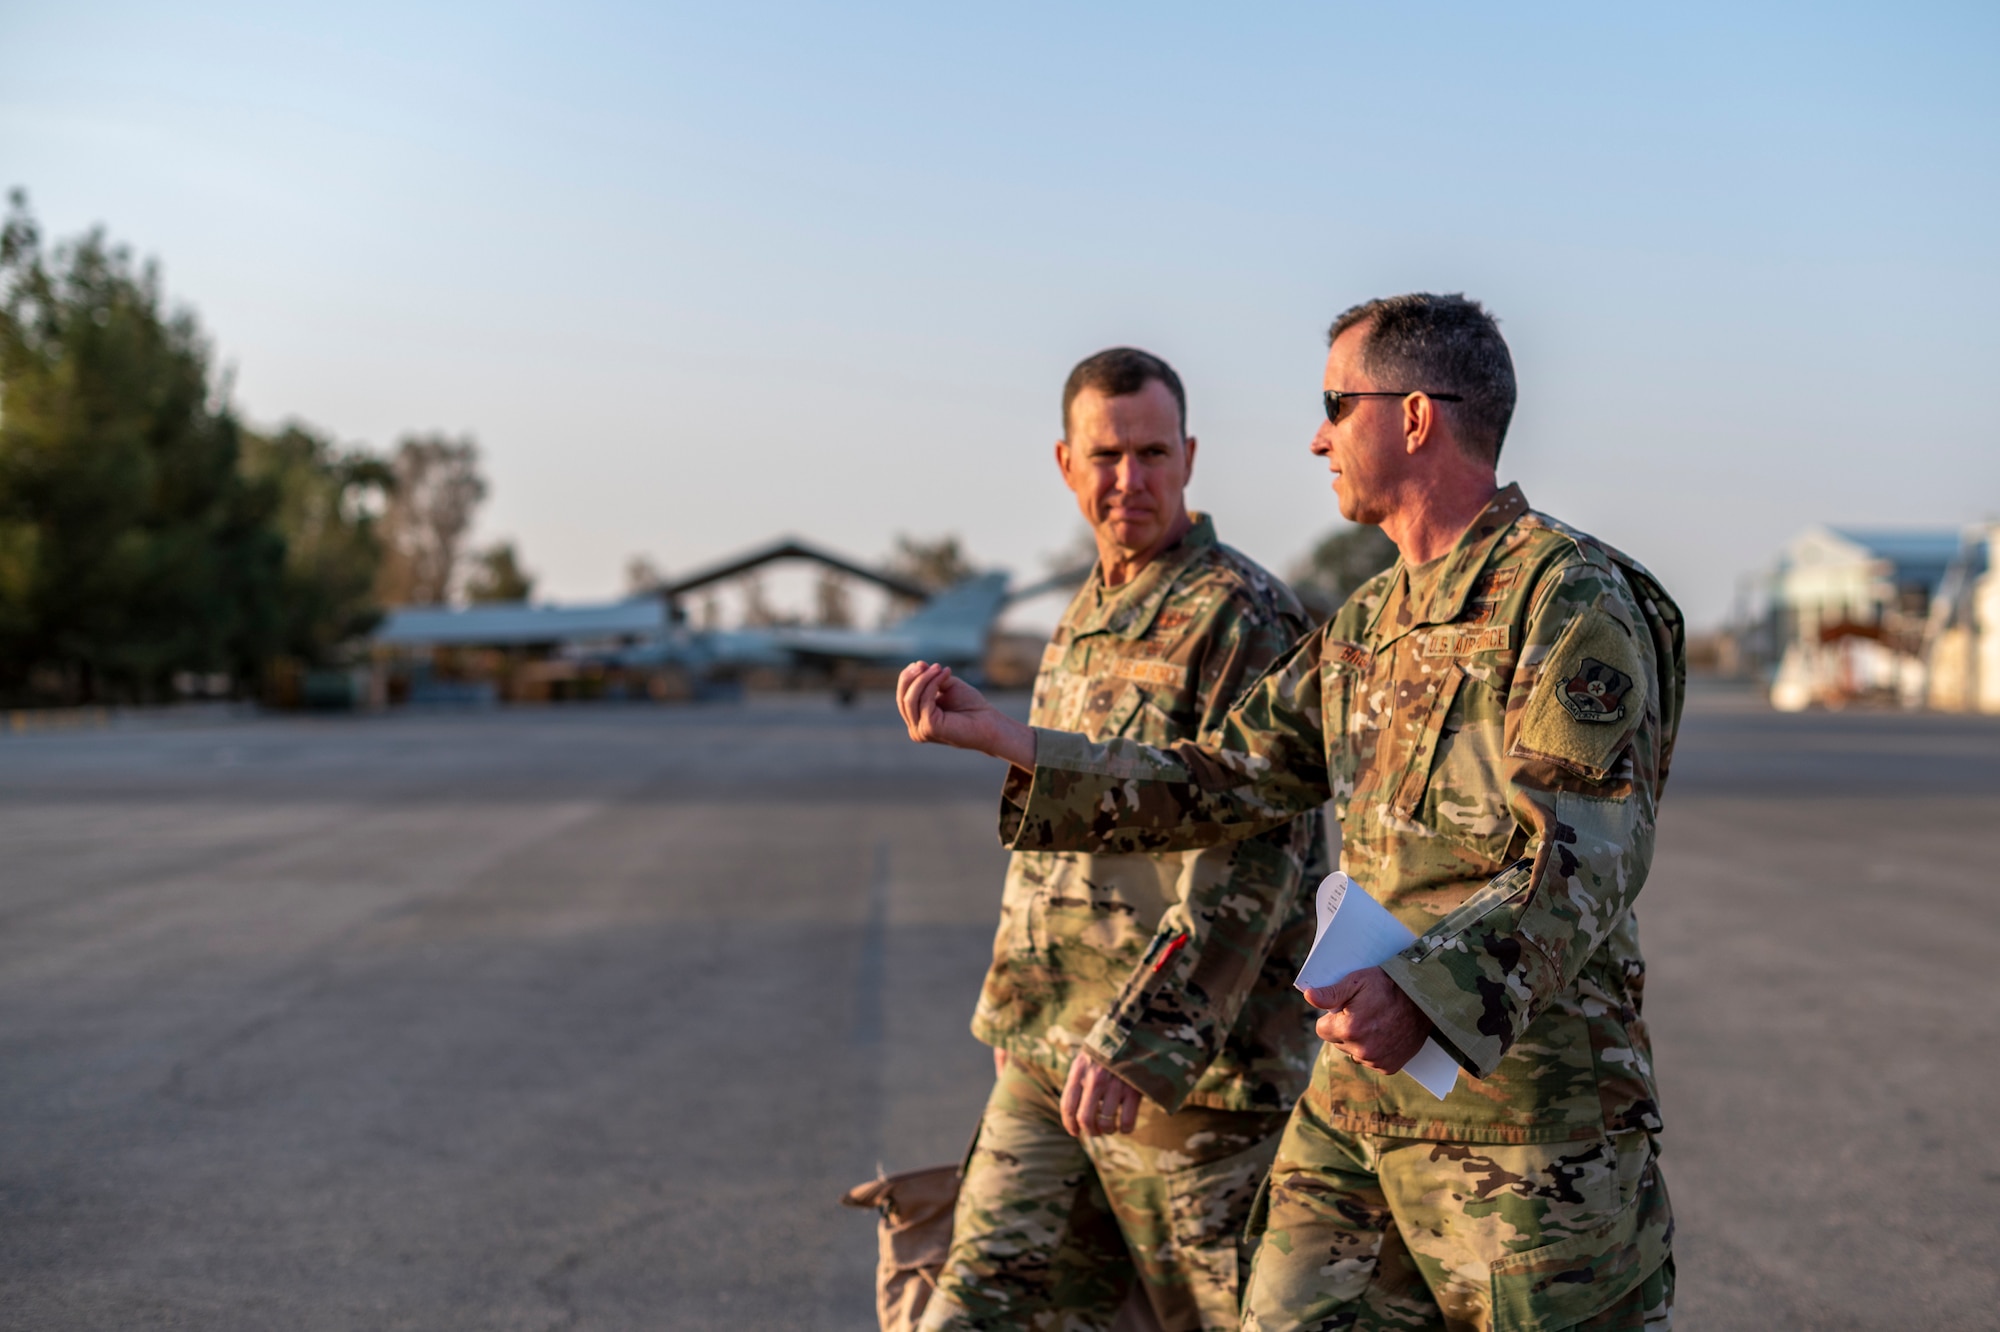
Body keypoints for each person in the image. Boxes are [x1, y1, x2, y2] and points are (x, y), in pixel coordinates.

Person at [898, 296, 1684, 1332]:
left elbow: (1579, 860)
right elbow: (1228, 774)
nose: (1315, 434)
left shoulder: (1565, 599)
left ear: (1412, 418)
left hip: (1527, 1126)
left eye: (1332, 403)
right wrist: (1023, 750)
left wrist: (1428, 996)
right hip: (1360, 1104)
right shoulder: (1367, 621)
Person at [920, 347, 1327, 1332]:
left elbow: (1258, 852)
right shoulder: (1084, 613)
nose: (1128, 481)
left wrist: (1150, 1037)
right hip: (1047, 1055)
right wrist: (1024, 1015)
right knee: (975, 1308)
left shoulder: (1243, 616)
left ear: (1188, 456)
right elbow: (1060, 846)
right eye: (1105, 456)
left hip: (1191, 1085)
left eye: (1151, 453)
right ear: (1064, 463)